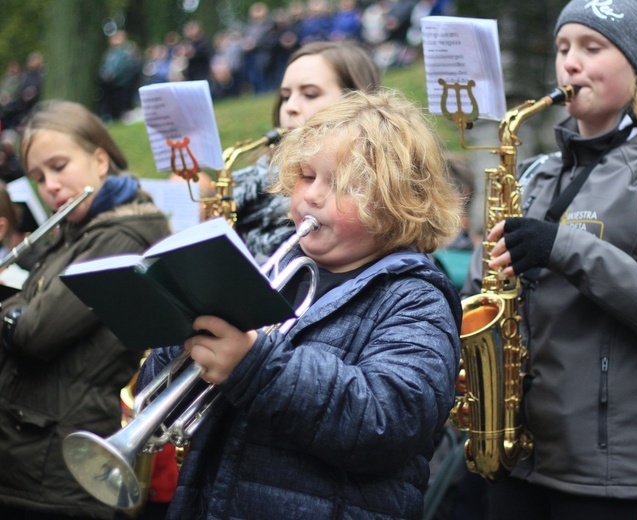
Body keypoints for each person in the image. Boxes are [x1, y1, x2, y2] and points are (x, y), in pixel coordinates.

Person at [137, 88, 463, 519]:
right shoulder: (267, 274)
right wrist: (181, 334)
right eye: (307, 177)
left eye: (341, 184)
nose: (311, 196)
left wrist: (254, 366)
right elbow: (160, 404)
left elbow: (388, 421)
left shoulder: (416, 297)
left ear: (394, 204)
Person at [461, 1, 637, 519]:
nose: (569, 64)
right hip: (516, 457)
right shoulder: (535, 175)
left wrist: (564, 248)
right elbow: (482, 291)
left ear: (636, 67)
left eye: (592, 47)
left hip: (617, 478)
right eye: (563, 48)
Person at [0, 100, 171, 519]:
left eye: (59, 166)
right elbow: (27, 304)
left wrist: (13, 313)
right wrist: (17, 309)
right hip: (32, 450)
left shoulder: (121, 234)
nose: (50, 186)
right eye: (38, 177)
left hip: (56, 465)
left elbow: (35, 333)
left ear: (99, 159)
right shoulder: (80, 229)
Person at [231, 40, 381, 260]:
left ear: (357, 102)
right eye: (285, 96)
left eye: (310, 94)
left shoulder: (376, 193)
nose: (290, 106)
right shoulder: (251, 181)